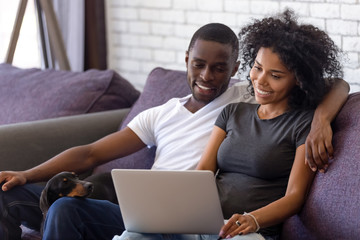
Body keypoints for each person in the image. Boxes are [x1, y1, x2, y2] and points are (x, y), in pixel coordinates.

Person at [0, 21, 348, 240]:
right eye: (199, 65)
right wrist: (27, 173)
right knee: (61, 207)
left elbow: (336, 84)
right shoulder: (179, 113)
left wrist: (320, 121)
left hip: (227, 223)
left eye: (219, 68)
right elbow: (92, 153)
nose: (207, 76)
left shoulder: (248, 95)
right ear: (186, 60)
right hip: (167, 212)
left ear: (234, 69)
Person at [115, 9, 345, 240]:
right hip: (203, 223)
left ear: (298, 79)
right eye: (257, 67)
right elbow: (203, 171)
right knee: (133, 235)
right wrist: (176, 209)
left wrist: (253, 219)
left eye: (275, 75)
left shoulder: (302, 124)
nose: (260, 80)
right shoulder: (233, 111)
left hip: (249, 232)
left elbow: (295, 197)